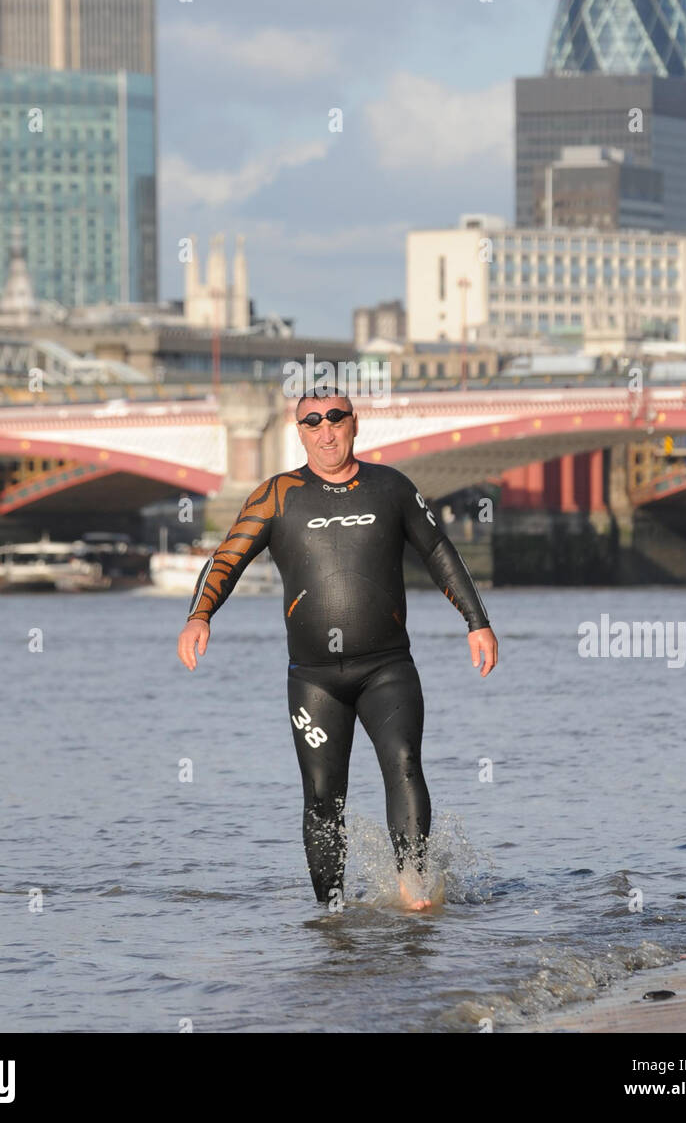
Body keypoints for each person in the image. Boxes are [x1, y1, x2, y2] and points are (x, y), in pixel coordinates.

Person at [177, 391, 498, 912]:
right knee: (323, 795)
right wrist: (200, 615)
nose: (325, 431)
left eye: (335, 419)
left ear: (354, 424)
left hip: (387, 668)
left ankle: (413, 885)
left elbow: (439, 550)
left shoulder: (390, 487)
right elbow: (226, 558)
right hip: (314, 679)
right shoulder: (277, 495)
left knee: (404, 763)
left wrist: (477, 622)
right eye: (312, 422)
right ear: (300, 432)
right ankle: (330, 911)